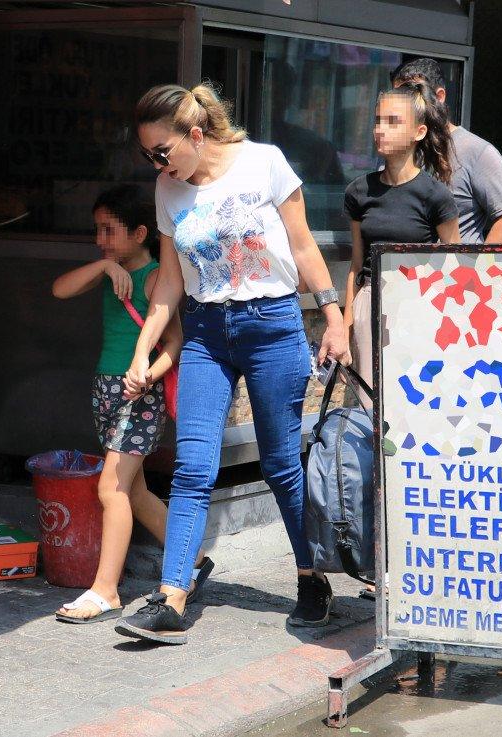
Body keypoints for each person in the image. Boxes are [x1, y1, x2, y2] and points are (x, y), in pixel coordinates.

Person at [116, 83, 351, 645]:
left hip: (272, 324)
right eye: (148, 155)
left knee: (280, 464)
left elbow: (302, 248)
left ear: (196, 135)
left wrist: (334, 317)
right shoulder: (169, 192)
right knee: (193, 467)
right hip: (205, 332)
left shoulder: (263, 163)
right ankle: (173, 594)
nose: (157, 163)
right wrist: (142, 348)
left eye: (162, 151)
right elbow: (171, 282)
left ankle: (312, 578)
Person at [50, 184, 211, 623]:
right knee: (134, 492)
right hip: (105, 388)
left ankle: (106, 591)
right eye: (97, 231)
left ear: (140, 233)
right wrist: (103, 266)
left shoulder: (157, 276)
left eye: (110, 231)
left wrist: (146, 378)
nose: (101, 239)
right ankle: (192, 562)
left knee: (112, 488)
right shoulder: (112, 269)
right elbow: (60, 289)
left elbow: (175, 342)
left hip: (138, 394)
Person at [344, 81, 460, 404]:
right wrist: (345, 324)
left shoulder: (436, 196)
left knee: (414, 399)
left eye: (393, 122)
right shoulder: (359, 192)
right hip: (370, 299)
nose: (381, 130)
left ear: (418, 132)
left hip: (418, 302)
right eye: (379, 121)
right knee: (370, 400)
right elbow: (356, 264)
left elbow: (455, 266)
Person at [389, 58, 502, 244]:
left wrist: (478, 268)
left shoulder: (476, 151)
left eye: (413, 96)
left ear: (439, 96)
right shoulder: (398, 148)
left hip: (456, 269)